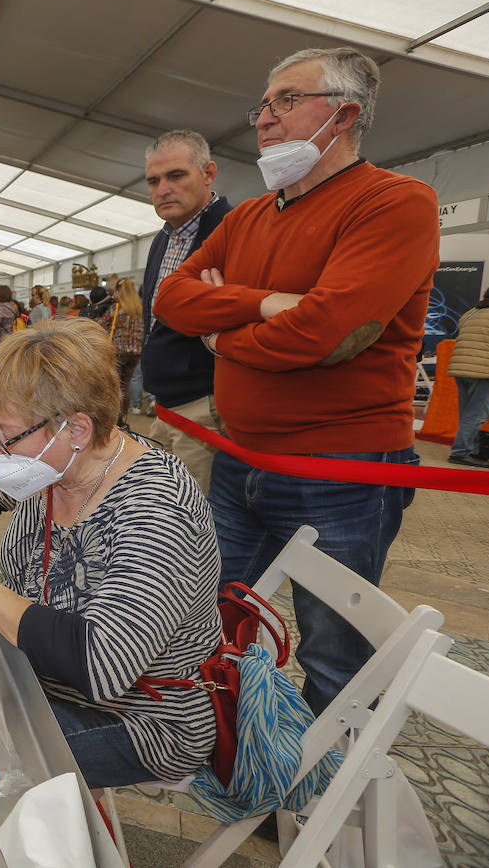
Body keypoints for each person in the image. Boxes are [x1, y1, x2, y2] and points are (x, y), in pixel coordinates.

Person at [154, 47, 438, 715]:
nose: (265, 118)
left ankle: (324, 798)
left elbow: (329, 332)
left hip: (343, 470)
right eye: (263, 104)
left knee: (334, 649)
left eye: (287, 101)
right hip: (241, 459)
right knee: (210, 618)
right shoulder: (251, 215)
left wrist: (219, 334)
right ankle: (233, 756)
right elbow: (172, 297)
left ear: (343, 114)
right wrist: (263, 303)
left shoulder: (394, 202)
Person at [0, 319, 220, 788]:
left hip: (140, 719)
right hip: (35, 675)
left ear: (76, 427)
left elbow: (99, 663)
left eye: (6, 436)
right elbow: (0, 488)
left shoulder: (155, 510)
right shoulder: (63, 464)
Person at [139, 130, 235, 491]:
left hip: (204, 405)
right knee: (162, 510)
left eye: (176, 176)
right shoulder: (163, 238)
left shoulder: (235, 230)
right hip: (165, 405)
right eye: (154, 181)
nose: (163, 188)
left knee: (196, 520)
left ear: (208, 173)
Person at [447, 282, 489, 467]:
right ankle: (460, 452)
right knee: (477, 415)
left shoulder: (469, 314)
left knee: (468, 413)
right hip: (485, 372)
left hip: (461, 370)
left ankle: (472, 450)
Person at [101, 279, 145, 426]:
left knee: (115, 386)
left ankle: (115, 418)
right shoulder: (139, 309)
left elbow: (101, 324)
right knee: (125, 384)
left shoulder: (116, 308)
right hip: (135, 352)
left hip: (118, 351)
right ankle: (123, 417)